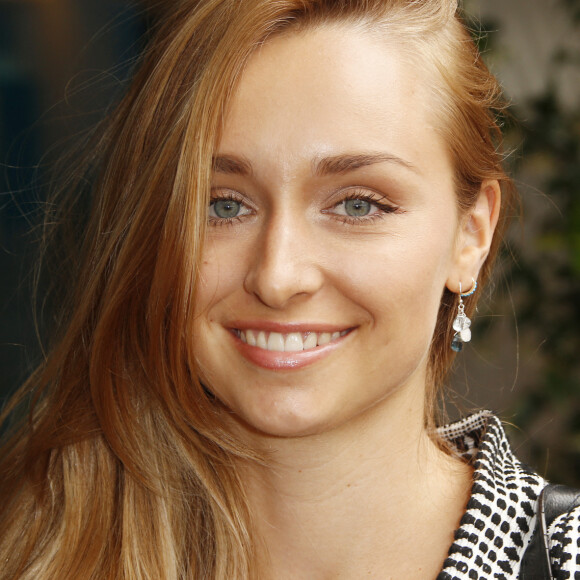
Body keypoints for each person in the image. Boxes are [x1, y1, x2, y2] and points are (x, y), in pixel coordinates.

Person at [0, 0, 578, 578]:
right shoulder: (31, 550)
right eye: (223, 205)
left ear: (470, 236)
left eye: (358, 205)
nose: (277, 277)